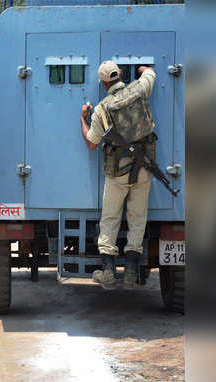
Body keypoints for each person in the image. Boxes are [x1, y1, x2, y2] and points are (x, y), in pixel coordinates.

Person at [79, 61, 156, 290]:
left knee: (110, 219)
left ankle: (108, 273)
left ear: (103, 82)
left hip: (118, 172)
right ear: (121, 74)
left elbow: (92, 143)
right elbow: (150, 73)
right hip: (144, 168)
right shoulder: (140, 89)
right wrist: (143, 69)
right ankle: (131, 274)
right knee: (137, 219)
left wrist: (84, 118)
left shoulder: (102, 109)